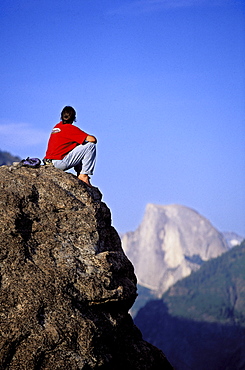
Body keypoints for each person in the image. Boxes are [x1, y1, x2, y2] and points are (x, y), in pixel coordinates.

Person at [44, 106, 97, 187]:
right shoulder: (70, 128)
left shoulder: (57, 127)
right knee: (90, 146)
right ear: (74, 118)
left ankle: (80, 172)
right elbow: (93, 139)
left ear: (61, 116)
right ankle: (83, 175)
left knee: (79, 145)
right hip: (59, 163)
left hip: (49, 162)